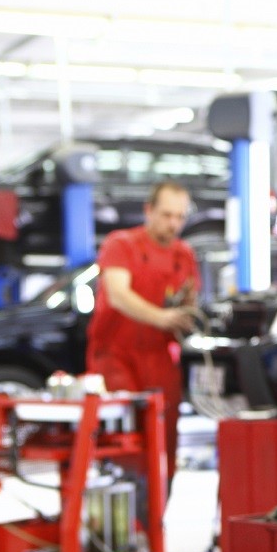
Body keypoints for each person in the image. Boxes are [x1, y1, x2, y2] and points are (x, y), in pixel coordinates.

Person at [87, 180, 201, 488]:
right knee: (125, 441)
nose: (173, 224)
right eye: (166, 215)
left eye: (180, 217)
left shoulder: (184, 254)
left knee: (166, 442)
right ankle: (126, 522)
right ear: (148, 211)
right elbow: (117, 295)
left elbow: (189, 302)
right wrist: (162, 317)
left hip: (160, 359)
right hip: (116, 358)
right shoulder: (121, 244)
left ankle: (155, 522)